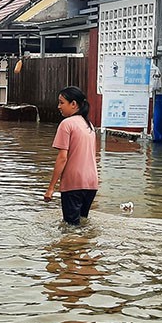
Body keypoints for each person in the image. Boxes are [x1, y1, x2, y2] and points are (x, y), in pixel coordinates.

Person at [44, 86, 99, 225]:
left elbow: (62, 157)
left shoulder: (66, 124)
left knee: (71, 227)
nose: (59, 106)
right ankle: (84, 246)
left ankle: (71, 247)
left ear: (73, 104)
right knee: (82, 222)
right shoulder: (89, 125)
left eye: (61, 102)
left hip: (73, 183)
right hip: (91, 183)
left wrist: (51, 188)